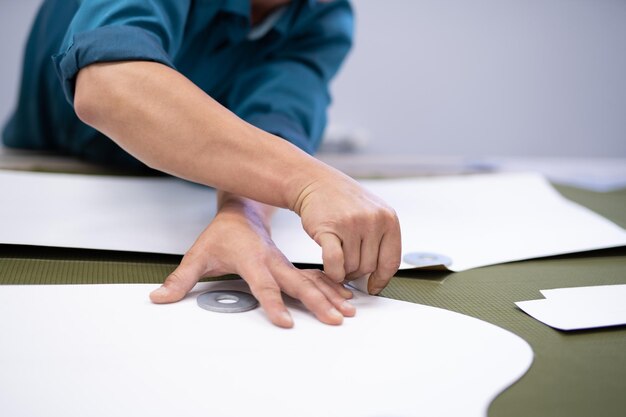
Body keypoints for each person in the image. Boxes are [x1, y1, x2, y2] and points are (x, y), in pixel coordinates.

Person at [3, 0, 401, 328]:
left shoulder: (323, 13)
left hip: (174, 189)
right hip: (47, 179)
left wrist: (243, 216)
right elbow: (108, 82)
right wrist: (309, 180)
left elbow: (275, 125)